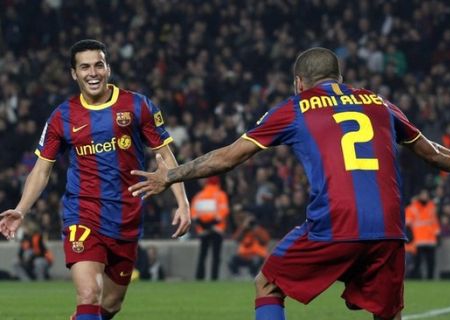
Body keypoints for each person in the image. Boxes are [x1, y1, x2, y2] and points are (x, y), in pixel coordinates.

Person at [128, 47, 450, 320]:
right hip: (389, 226)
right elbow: (431, 152)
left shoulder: (297, 106)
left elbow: (229, 157)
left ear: (299, 82)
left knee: (267, 283)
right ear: (340, 78)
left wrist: (170, 174)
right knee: (388, 314)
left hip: (335, 221)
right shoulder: (379, 102)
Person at [0, 39, 191, 320]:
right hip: (83, 212)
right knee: (89, 294)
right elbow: (42, 169)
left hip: (126, 215)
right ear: (73, 74)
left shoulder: (137, 106)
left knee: (111, 304)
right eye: (85, 67)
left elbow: (165, 156)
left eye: (98, 65)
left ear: (108, 68)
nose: (93, 73)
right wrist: (21, 209)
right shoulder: (61, 117)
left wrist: (182, 202)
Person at [190, 176, 229, 280]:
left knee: (202, 255)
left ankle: (199, 277)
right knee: (216, 257)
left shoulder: (199, 196)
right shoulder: (221, 195)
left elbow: (194, 214)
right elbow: (223, 212)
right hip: (217, 229)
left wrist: (204, 225)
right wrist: (212, 225)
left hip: (203, 230)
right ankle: (214, 278)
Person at [405, 189, 441, 279]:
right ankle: (415, 277)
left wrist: (438, 235)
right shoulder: (412, 207)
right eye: (423, 195)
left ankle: (430, 278)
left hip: (430, 240)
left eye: (426, 195)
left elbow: (435, 222)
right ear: (419, 196)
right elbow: (407, 223)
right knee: (417, 262)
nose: (425, 196)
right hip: (418, 240)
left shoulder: (431, 207)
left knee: (431, 262)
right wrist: (410, 236)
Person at [228, 214, 270, 278]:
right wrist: (243, 227)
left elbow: (265, 241)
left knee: (255, 260)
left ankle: (254, 277)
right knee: (232, 260)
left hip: (258, 255)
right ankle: (237, 277)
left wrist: (256, 231)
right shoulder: (243, 231)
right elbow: (236, 238)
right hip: (244, 256)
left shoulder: (260, 231)